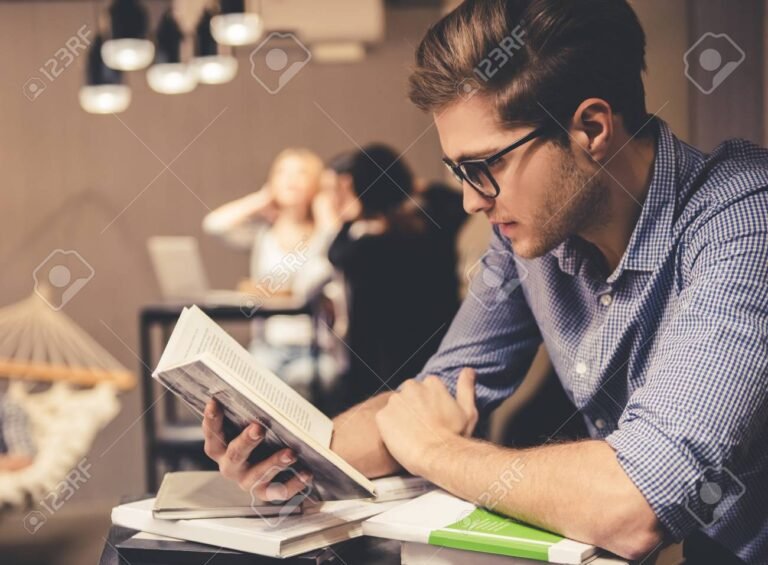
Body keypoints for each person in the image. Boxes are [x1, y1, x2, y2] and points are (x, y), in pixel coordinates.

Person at [201, 1, 768, 562]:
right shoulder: (532, 233)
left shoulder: (746, 221)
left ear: (592, 128)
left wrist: (435, 451)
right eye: (458, 173)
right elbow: (437, 395)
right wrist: (286, 455)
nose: (472, 200)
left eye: (485, 166)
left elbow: (635, 503)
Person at [326, 145, 466, 411]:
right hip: (441, 349)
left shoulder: (365, 247)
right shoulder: (434, 226)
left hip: (386, 364)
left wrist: (348, 216)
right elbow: (455, 201)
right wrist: (412, 187)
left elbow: (336, 252)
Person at [203, 148, 338, 398]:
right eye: (282, 172)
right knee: (247, 388)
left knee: (307, 383)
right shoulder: (264, 233)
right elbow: (214, 225)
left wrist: (326, 214)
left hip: (314, 348)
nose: (291, 179)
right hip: (268, 346)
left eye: (301, 172)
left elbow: (339, 255)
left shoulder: (325, 232)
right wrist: (261, 199)